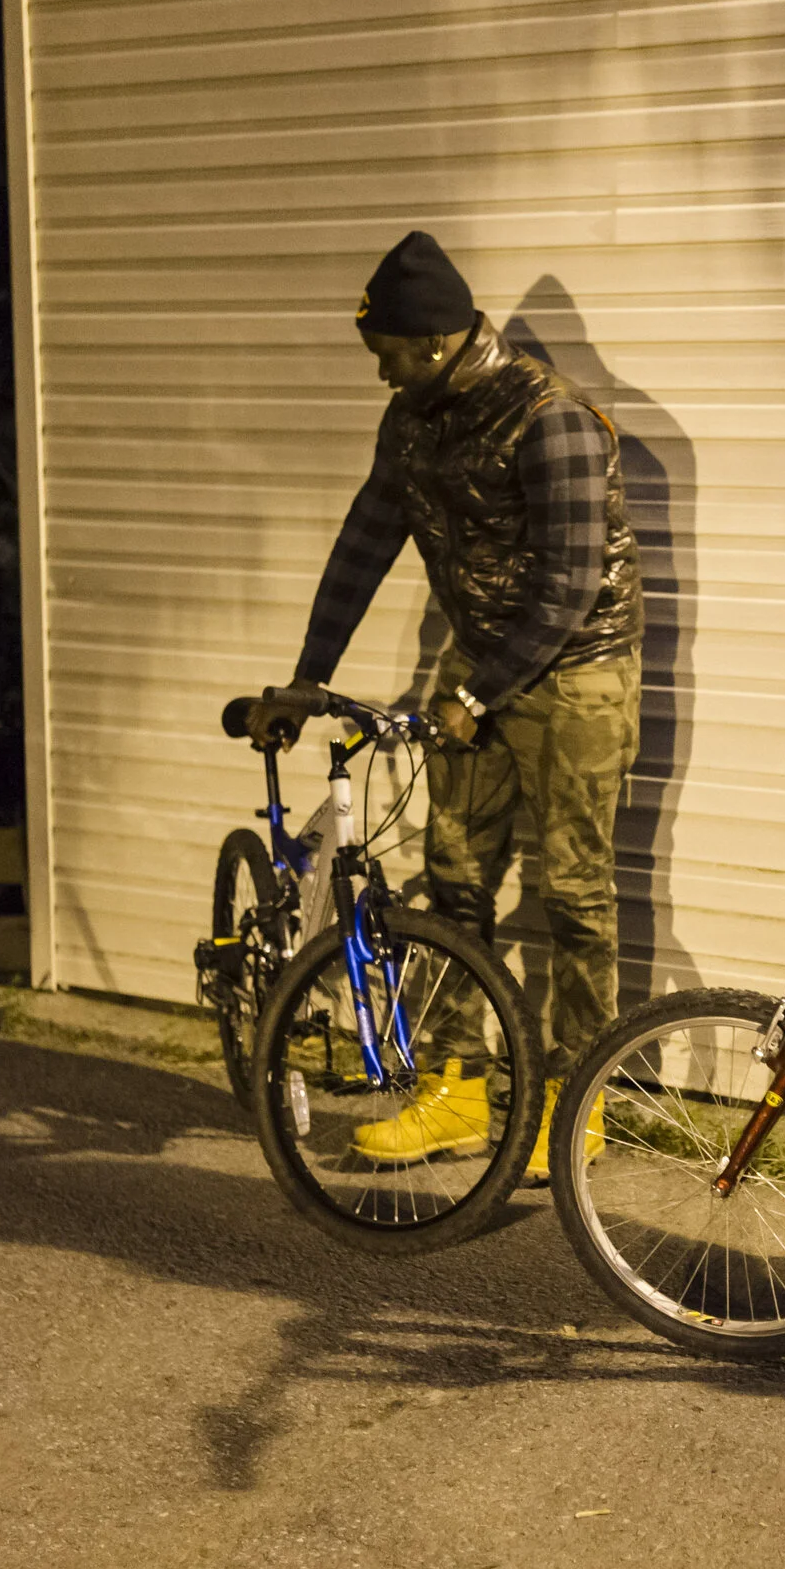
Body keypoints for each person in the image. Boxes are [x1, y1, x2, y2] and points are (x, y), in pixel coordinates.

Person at [249, 231, 642, 1176]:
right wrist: (307, 675)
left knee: (576, 895)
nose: (381, 373)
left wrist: (477, 691)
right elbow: (365, 541)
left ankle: (577, 1105)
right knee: (455, 879)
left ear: (432, 343)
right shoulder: (413, 418)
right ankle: (456, 1089)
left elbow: (569, 587)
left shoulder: (551, 418)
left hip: (576, 672)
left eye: (387, 354)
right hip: (479, 668)